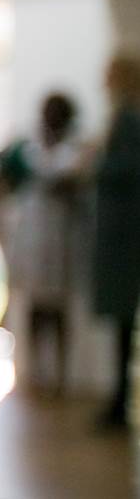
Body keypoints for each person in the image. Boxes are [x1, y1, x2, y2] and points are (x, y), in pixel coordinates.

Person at [0, 93, 86, 393]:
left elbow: (73, 184)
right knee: (35, 304)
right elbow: (3, 178)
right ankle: (33, 371)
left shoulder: (76, 148)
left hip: (61, 235)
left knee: (58, 306)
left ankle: (61, 376)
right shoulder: (27, 146)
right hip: (33, 232)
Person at [93, 55, 140, 429]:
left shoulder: (127, 120)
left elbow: (126, 169)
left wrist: (94, 165)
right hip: (122, 236)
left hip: (125, 239)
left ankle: (121, 402)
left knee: (125, 323)